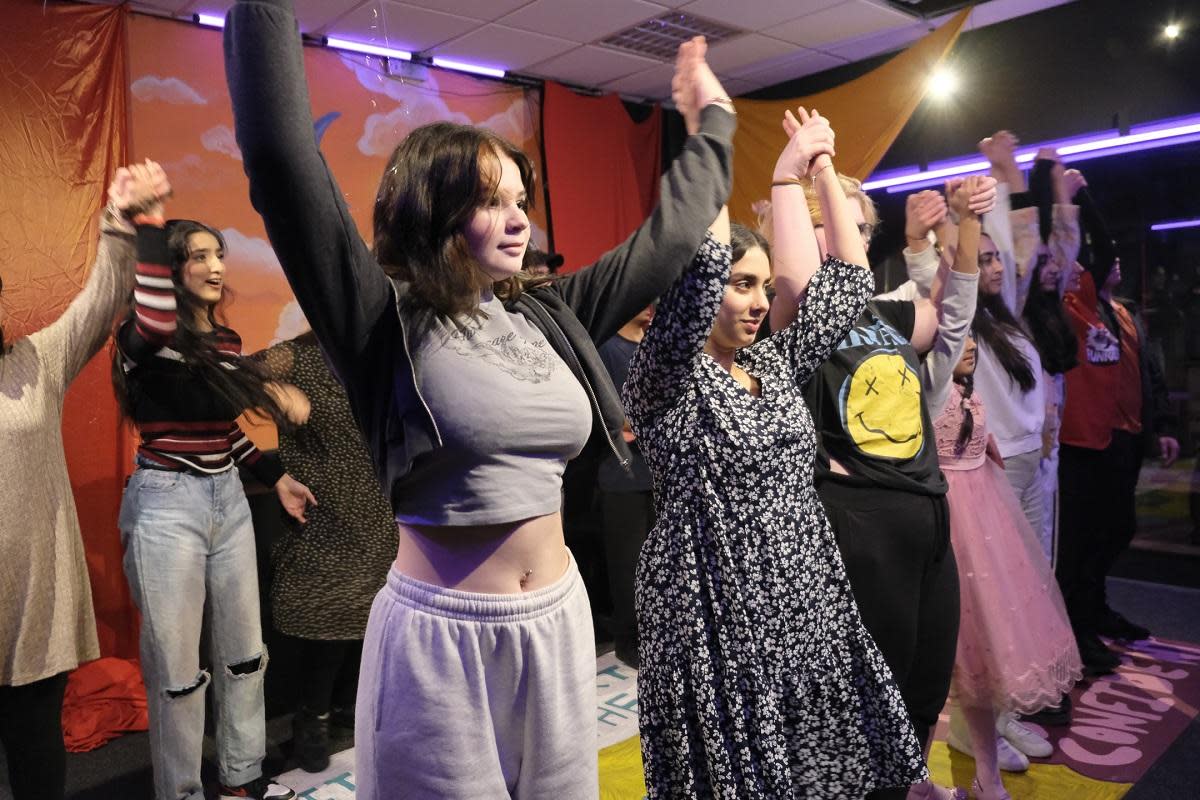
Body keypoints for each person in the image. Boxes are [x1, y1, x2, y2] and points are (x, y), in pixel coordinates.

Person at [224, 1, 736, 793]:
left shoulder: (549, 313)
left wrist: (715, 120)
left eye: (522, 200)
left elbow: (667, 238)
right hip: (442, 639)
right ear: (435, 208)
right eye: (492, 200)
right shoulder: (379, 320)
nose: (519, 219)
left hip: (558, 620)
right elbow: (282, 157)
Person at [625, 107, 924, 798]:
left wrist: (818, 173)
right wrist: (716, 131)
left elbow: (847, 278)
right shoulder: (667, 379)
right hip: (713, 602)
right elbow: (696, 270)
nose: (759, 301)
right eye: (742, 284)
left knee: (809, 765)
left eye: (764, 284)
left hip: (801, 592)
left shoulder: (777, 365)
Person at [793, 166, 993, 800]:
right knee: (865, 700)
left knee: (924, 681)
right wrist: (814, 172)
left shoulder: (891, 311)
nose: (848, 237)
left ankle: (908, 785)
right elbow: (806, 279)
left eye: (858, 228)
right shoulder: (796, 317)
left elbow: (955, 311)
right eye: (831, 225)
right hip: (861, 522)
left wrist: (965, 221)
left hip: (928, 515)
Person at [112, 196, 315, 800]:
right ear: (170, 271)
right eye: (198, 256)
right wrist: (149, 228)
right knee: (176, 671)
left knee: (246, 654)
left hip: (227, 498)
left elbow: (219, 428)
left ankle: (241, 778)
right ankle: (180, 791)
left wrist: (271, 474)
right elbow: (156, 331)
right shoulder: (143, 335)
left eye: (218, 253)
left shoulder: (225, 339)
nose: (216, 265)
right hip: (166, 504)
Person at [0, 163, 160, 800]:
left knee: (35, 735)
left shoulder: (35, 359)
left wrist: (120, 225)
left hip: (29, 595)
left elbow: (100, 303)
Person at [932, 336, 1083, 800]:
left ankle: (988, 774)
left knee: (983, 655)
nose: (971, 344)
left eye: (971, 335)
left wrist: (985, 442)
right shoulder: (930, 390)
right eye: (958, 338)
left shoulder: (964, 388)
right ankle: (918, 779)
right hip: (946, 527)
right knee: (934, 666)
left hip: (985, 524)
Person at [254, 331, 399, 772]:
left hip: (380, 505)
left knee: (373, 611)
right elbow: (220, 372)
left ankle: (349, 706)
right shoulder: (292, 356)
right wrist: (268, 389)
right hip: (323, 512)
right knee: (328, 616)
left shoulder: (382, 349)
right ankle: (311, 718)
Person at [1056, 176, 1179, 674]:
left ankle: (1095, 608)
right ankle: (1078, 624)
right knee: (1082, 537)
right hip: (1086, 443)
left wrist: (1163, 424)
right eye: (1107, 265)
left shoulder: (1124, 315)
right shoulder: (1073, 309)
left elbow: (1150, 371)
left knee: (1118, 528)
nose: (1117, 265)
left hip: (1124, 438)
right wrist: (1075, 196)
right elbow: (1103, 246)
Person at [596, 304, 655, 669]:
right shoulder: (607, 348)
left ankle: (652, 635)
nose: (651, 306)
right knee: (628, 566)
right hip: (621, 476)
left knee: (655, 564)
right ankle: (628, 640)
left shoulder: (653, 345)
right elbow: (613, 417)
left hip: (657, 473)